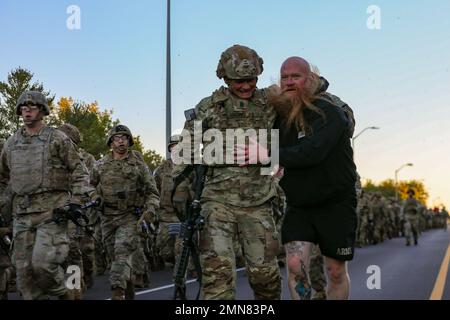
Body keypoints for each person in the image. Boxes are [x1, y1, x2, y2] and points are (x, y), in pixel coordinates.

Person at [173, 44, 281, 300]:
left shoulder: (271, 101)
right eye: (238, 81)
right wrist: (179, 187)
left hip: (259, 201)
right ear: (224, 76)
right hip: (216, 204)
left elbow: (305, 100)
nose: (246, 86)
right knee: (217, 279)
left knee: (264, 276)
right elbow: (185, 150)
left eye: (251, 79)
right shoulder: (208, 107)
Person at [268, 57, 357, 300]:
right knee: (296, 266)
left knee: (335, 271)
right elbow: (272, 153)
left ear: (309, 79)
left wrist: (270, 154)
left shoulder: (329, 111)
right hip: (300, 204)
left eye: (295, 77)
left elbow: (312, 152)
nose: (289, 82)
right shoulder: (280, 116)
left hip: (336, 202)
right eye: (284, 77)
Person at [0, 91, 90, 300]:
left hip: (52, 213)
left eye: (32, 107)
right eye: (23, 107)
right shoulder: (11, 144)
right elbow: (2, 178)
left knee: (43, 264)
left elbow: (80, 171)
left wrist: (76, 202)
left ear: (42, 110)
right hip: (22, 215)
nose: (27, 111)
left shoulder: (57, 138)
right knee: (23, 273)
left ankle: (67, 292)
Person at [90, 124, 159, 300]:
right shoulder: (100, 165)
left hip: (129, 217)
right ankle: (128, 292)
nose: (121, 141)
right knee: (116, 260)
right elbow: (87, 187)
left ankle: (117, 293)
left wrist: (149, 213)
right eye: (117, 138)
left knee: (121, 256)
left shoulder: (139, 165)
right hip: (107, 218)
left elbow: (153, 192)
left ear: (129, 141)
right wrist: (94, 196)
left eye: (124, 137)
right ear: (111, 142)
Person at [57, 123, 97, 297]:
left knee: (73, 249)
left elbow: (86, 182)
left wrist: (81, 200)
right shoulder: (50, 156)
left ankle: (74, 288)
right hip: (54, 210)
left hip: (74, 210)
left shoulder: (82, 159)